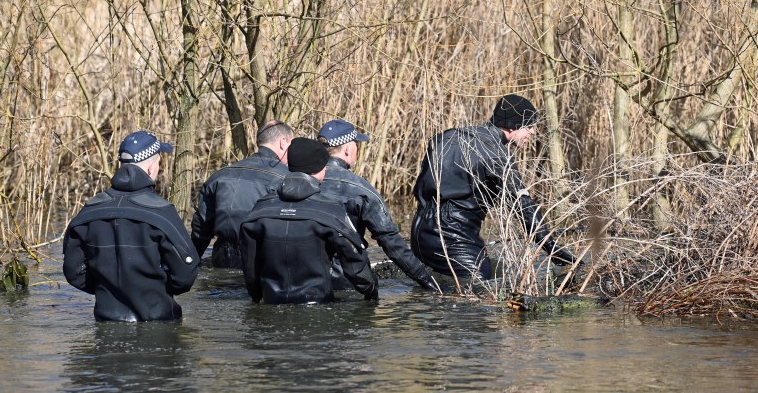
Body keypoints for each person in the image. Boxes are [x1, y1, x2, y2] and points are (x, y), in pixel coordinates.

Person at [411, 94, 577, 281]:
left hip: (419, 232)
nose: (533, 132)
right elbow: (523, 205)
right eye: (529, 127)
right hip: (452, 236)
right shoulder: (497, 154)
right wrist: (551, 247)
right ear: (513, 126)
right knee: (480, 290)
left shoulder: (445, 137)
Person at [63, 130, 200, 321]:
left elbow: (73, 271)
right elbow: (186, 273)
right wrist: (160, 288)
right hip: (158, 323)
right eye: (159, 163)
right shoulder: (162, 211)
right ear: (151, 168)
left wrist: (106, 289)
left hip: (106, 322)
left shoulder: (88, 211)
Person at [240, 137, 379, 305]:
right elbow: (355, 263)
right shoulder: (331, 211)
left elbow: (250, 268)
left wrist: (256, 297)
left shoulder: (260, 208)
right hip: (317, 308)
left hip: (271, 304)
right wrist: (372, 293)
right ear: (320, 169)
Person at [317, 118, 438, 291]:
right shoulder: (361, 190)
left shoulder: (293, 182)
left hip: (301, 281)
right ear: (347, 149)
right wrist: (425, 279)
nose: (357, 150)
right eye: (356, 145)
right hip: (348, 284)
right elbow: (391, 242)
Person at [191, 120, 294, 267]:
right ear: (283, 142)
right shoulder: (286, 179)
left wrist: (190, 263)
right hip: (261, 263)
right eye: (292, 144)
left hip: (221, 260)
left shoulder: (220, 176)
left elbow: (201, 229)